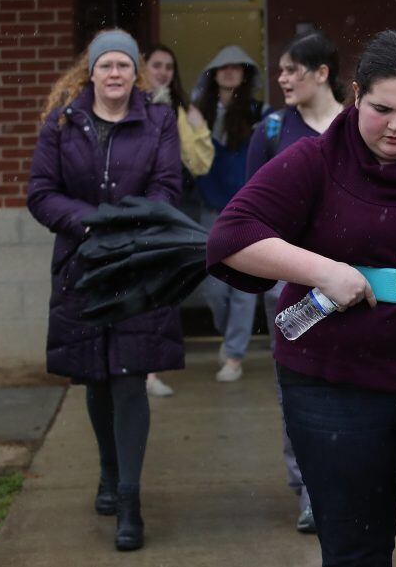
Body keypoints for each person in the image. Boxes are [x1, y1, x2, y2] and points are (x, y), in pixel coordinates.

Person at [206, 30, 396, 566]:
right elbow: (230, 235)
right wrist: (323, 270)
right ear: (356, 93)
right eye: (381, 108)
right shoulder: (315, 160)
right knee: (354, 549)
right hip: (331, 388)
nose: (395, 126)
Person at [27, 29, 183, 552]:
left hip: (139, 265)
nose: (114, 74)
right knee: (96, 378)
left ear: (135, 72)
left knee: (129, 378)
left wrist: (127, 226)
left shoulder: (159, 120)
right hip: (84, 265)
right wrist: (92, 223)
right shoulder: (63, 122)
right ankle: (108, 471)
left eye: (122, 65)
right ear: (90, 72)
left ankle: (130, 501)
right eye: (104, 66)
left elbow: (166, 187)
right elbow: (42, 194)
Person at [245, 30, 345, 534]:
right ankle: (308, 490)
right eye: (280, 70)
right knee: (298, 387)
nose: (282, 78)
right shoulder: (271, 131)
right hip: (289, 284)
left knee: (353, 382)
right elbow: (249, 212)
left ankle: (353, 485)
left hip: (352, 285)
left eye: (291, 69)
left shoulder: (360, 124)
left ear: (322, 73)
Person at [143, 43, 214, 397]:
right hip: (142, 206)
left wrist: (197, 128)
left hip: (178, 203)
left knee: (167, 286)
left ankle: (153, 369)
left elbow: (200, 164)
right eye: (156, 65)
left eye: (169, 66)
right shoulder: (131, 104)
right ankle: (144, 371)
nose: (163, 72)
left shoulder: (183, 109)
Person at [194, 45, 269, 383]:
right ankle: (230, 340)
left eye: (237, 67)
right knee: (214, 289)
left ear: (245, 73)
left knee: (243, 290)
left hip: (249, 211)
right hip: (210, 210)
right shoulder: (198, 112)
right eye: (223, 67)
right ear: (213, 73)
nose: (229, 72)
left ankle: (235, 356)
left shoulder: (260, 113)